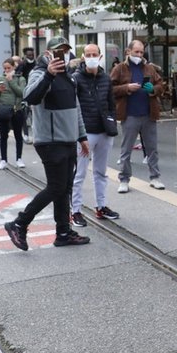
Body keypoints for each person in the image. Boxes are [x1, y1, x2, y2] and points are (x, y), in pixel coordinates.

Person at [3, 37, 91, 250]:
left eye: (66, 51)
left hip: (68, 140)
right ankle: (19, 223)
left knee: (65, 188)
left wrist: (82, 136)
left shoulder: (69, 77)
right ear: (48, 54)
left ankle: (63, 232)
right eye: (58, 51)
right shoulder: (40, 73)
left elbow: (75, 109)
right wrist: (49, 74)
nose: (63, 55)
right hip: (50, 142)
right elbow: (30, 97)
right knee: (56, 187)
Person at [70, 43, 120, 228]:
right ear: (83, 57)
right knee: (80, 173)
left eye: (94, 54)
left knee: (101, 172)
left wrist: (112, 122)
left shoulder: (106, 78)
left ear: (100, 56)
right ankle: (75, 210)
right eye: (88, 54)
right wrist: (79, 134)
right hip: (85, 134)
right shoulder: (75, 79)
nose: (91, 57)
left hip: (105, 132)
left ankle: (101, 206)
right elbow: (73, 107)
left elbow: (111, 104)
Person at [111, 39, 165, 192]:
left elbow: (161, 85)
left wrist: (153, 89)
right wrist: (126, 87)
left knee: (152, 148)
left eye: (141, 52)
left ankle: (155, 177)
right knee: (126, 149)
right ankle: (124, 180)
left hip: (148, 113)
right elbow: (110, 88)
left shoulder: (149, 68)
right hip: (129, 114)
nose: (139, 55)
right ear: (128, 51)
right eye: (137, 52)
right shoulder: (120, 68)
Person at [0, 59, 27, 170]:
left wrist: (11, 81)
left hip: (17, 111)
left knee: (17, 135)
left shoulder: (20, 78)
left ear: (13, 67)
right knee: (3, 136)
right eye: (5, 68)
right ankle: (3, 160)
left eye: (8, 68)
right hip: (3, 111)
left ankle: (19, 159)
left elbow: (22, 93)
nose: (6, 70)